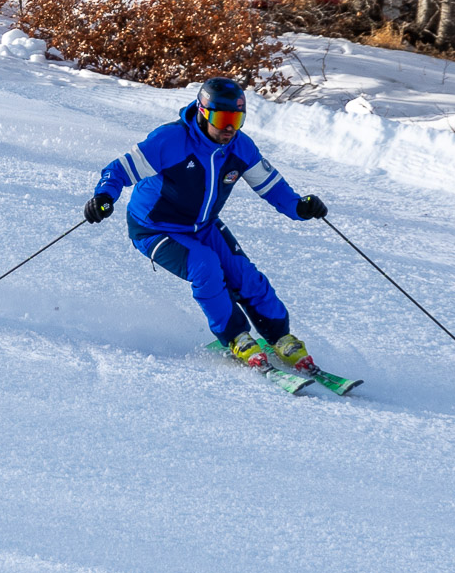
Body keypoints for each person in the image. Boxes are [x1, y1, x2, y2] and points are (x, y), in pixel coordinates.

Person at [84, 77, 330, 373]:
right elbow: (118, 170)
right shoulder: (171, 141)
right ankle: (236, 337)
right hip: (155, 228)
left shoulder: (240, 147)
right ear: (203, 113)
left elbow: (272, 187)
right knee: (205, 265)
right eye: (222, 118)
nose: (229, 128)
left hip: (203, 226)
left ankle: (281, 337)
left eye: (237, 119)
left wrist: (299, 207)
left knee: (244, 274)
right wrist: (103, 197)